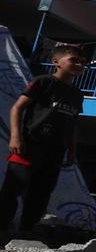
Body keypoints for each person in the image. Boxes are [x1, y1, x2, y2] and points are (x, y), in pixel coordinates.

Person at [0, 43, 84, 236]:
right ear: (56, 62)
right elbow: (17, 108)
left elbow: (72, 124)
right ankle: (2, 228)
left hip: (55, 150)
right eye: (74, 60)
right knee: (12, 190)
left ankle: (26, 232)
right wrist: (15, 136)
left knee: (41, 194)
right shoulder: (43, 82)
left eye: (82, 62)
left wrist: (71, 151)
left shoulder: (77, 94)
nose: (79, 64)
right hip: (30, 144)